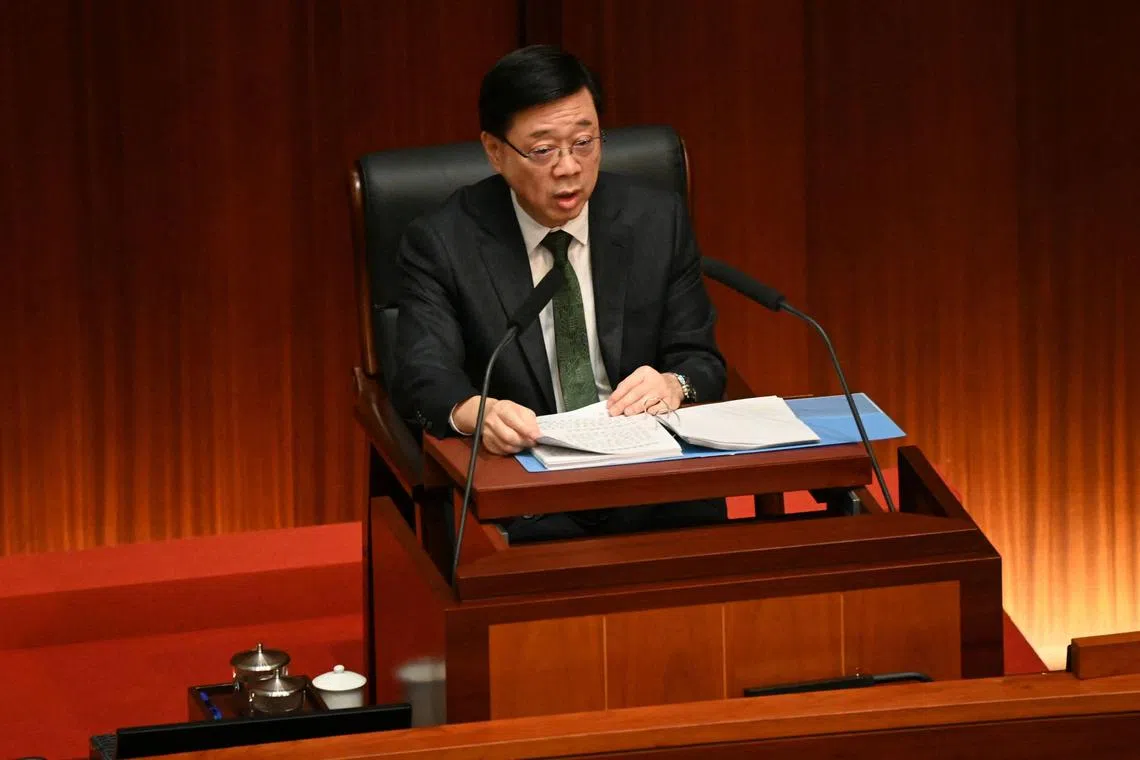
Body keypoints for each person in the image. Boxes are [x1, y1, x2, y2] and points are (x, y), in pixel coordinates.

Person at [393, 45, 726, 542]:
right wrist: (474, 412)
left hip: (646, 476)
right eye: (544, 149)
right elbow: (424, 374)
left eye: (585, 142)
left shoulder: (656, 219)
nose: (569, 167)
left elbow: (700, 359)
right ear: (496, 151)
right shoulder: (443, 242)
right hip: (523, 487)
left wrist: (674, 384)